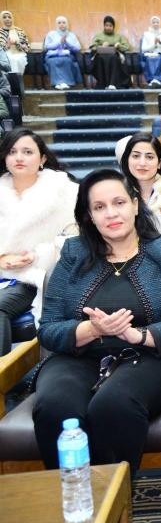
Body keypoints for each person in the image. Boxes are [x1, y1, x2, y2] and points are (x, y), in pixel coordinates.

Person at [32, 169, 161, 474]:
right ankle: (73, 492)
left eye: (119, 203)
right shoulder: (73, 254)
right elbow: (48, 328)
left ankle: (115, 496)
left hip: (153, 357)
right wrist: (91, 329)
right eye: (99, 207)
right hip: (79, 357)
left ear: (135, 205)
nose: (111, 214)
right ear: (89, 216)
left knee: (113, 404)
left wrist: (139, 335)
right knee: (55, 407)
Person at [0, 129, 77, 355]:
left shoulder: (65, 192)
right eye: (12, 152)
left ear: (42, 158)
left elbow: (76, 240)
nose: (19, 158)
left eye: (27, 152)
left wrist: (37, 255)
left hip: (34, 276)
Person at [90, 16, 129, 90]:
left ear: (113, 27)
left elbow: (127, 47)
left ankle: (112, 84)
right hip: (101, 56)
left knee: (114, 58)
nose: (108, 27)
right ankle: (102, 84)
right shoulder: (98, 36)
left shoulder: (119, 36)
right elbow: (93, 47)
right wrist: (101, 46)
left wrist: (119, 45)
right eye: (106, 25)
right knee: (99, 59)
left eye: (110, 26)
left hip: (114, 55)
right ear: (104, 26)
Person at [43, 16, 82, 90]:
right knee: (53, 62)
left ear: (67, 24)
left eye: (64, 22)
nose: (62, 24)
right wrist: (59, 42)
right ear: (56, 24)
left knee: (66, 60)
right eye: (59, 23)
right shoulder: (51, 34)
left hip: (67, 55)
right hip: (53, 55)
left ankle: (66, 83)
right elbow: (47, 46)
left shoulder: (71, 35)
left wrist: (67, 43)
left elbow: (78, 47)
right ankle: (58, 83)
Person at [140, 16, 161, 87]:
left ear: (160, 23)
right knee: (151, 59)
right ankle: (154, 80)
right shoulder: (146, 34)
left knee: (159, 58)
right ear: (151, 24)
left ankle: (155, 79)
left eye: (157, 22)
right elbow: (143, 49)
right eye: (154, 22)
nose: (155, 24)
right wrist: (154, 44)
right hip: (150, 54)